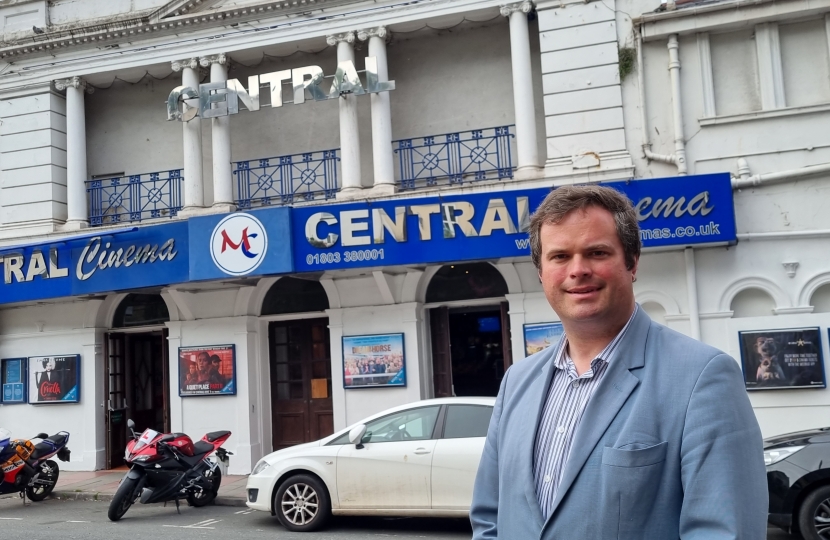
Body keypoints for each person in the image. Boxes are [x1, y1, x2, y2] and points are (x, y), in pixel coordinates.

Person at [470, 185, 767, 539]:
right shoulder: (517, 380)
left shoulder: (702, 377)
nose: (577, 270)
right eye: (560, 256)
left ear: (632, 262)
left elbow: (724, 531)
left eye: (596, 252)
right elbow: (490, 518)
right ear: (541, 272)